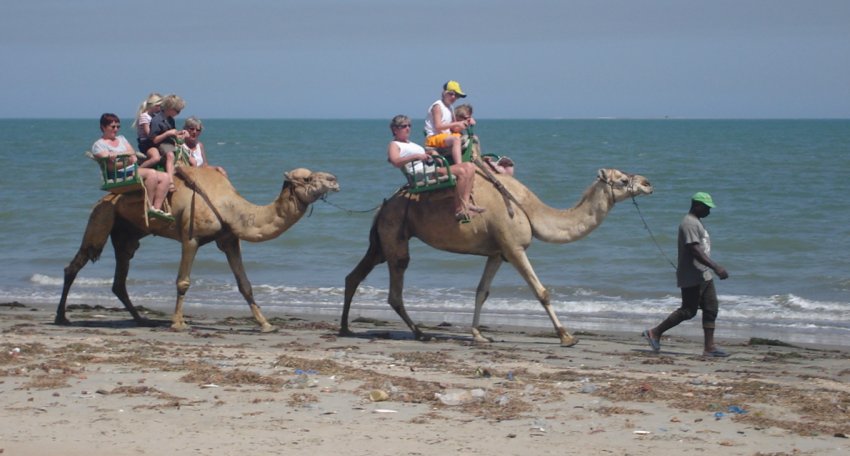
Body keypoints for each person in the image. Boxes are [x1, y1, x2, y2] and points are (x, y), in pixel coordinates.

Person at [643, 192, 730, 357]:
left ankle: (709, 347)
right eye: (707, 208)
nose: (709, 212)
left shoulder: (697, 222)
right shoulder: (689, 223)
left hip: (703, 274)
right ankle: (654, 332)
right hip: (692, 275)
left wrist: (710, 269)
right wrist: (716, 267)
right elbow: (695, 250)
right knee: (688, 311)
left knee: (711, 308)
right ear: (697, 205)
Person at [387, 115, 480, 222]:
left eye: (409, 125)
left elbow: (420, 154)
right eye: (403, 126)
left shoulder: (411, 144)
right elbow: (395, 162)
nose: (408, 128)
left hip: (430, 169)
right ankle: (459, 210)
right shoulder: (394, 144)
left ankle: (466, 203)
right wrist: (416, 156)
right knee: (462, 170)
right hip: (421, 175)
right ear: (395, 129)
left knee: (470, 166)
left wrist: (430, 153)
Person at [91, 113, 171, 216]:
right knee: (151, 173)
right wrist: (126, 158)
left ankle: (156, 208)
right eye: (113, 127)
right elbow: (108, 162)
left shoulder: (121, 139)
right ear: (103, 127)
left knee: (165, 176)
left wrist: (117, 155)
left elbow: (132, 153)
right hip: (116, 174)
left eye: (118, 126)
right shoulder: (99, 145)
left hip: (131, 169)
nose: (116, 129)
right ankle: (148, 207)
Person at [453, 104, 514, 176]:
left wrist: (482, 158)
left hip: (473, 159)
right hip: (468, 162)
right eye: (466, 118)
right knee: (504, 170)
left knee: (507, 168)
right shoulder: (454, 133)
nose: (468, 121)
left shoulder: (460, 133)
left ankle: (498, 166)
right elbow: (455, 128)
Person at [424, 80, 470, 166]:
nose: (453, 97)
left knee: (471, 138)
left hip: (445, 137)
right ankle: (459, 166)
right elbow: (438, 126)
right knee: (456, 140)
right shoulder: (437, 106)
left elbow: (454, 128)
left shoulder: (450, 108)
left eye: (456, 95)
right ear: (444, 93)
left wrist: (466, 123)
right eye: (451, 94)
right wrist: (456, 124)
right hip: (433, 138)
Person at [147, 94, 188, 190]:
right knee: (170, 155)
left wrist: (180, 133)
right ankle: (170, 181)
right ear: (170, 108)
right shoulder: (156, 120)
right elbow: (154, 139)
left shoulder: (170, 120)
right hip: (160, 144)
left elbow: (173, 133)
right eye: (177, 110)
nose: (179, 113)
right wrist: (167, 133)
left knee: (189, 157)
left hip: (170, 143)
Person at [132, 92, 163, 169]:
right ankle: (138, 171)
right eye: (159, 106)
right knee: (156, 158)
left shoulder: (154, 116)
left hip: (153, 142)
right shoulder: (144, 116)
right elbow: (149, 134)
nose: (161, 108)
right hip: (146, 143)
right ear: (154, 105)